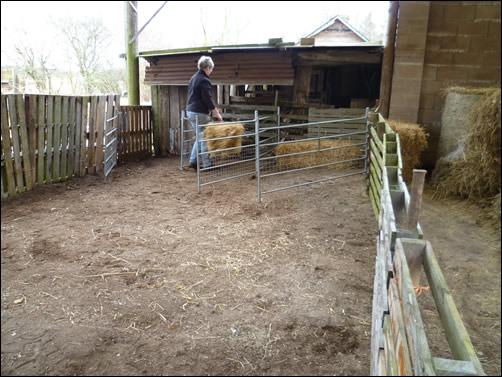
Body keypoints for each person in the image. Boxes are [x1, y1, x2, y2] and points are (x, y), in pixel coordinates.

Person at [187, 56, 223, 169]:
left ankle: (193, 161)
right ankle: (207, 164)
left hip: (190, 111)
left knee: (200, 136)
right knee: (205, 138)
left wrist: (207, 111)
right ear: (207, 68)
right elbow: (208, 99)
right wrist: (218, 115)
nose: (211, 71)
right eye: (211, 69)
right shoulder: (204, 80)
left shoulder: (193, 78)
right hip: (199, 113)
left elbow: (196, 97)